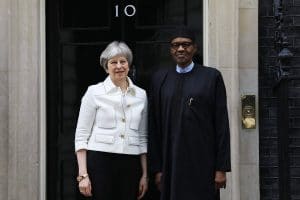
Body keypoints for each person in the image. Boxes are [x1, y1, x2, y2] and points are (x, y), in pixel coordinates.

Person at [148, 27, 231, 200]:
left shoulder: (211, 77)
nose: (180, 49)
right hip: (171, 164)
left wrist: (221, 168)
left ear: (195, 48)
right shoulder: (160, 79)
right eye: (175, 45)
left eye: (186, 44)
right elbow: (154, 126)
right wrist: (157, 169)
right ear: (170, 49)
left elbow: (221, 125)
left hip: (203, 163)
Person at [74, 41, 148, 200]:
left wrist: (145, 174)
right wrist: (83, 175)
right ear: (106, 67)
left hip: (131, 163)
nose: (119, 66)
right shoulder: (94, 92)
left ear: (129, 64)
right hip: (101, 162)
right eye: (113, 62)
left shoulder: (141, 95)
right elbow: (81, 135)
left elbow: (143, 137)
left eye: (123, 61)